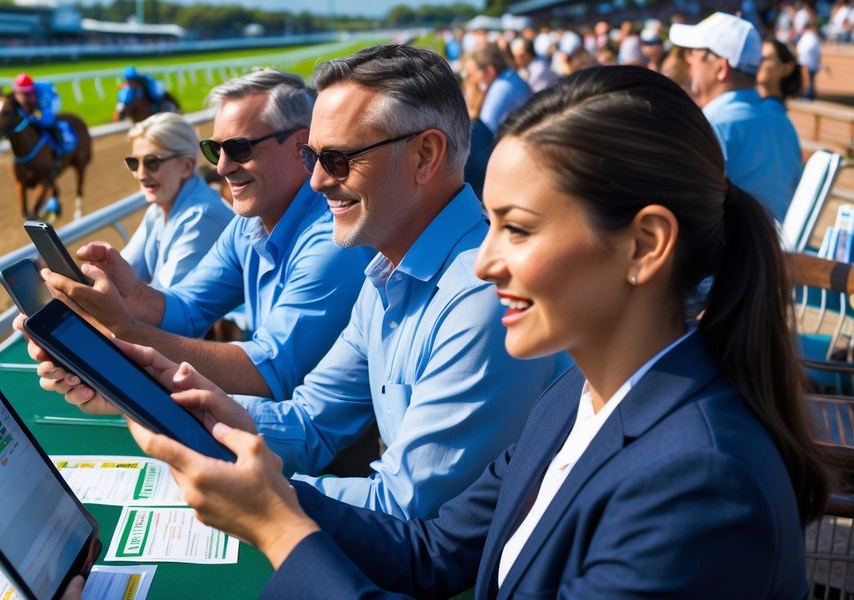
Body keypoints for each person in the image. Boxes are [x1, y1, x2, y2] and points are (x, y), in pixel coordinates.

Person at [125, 66, 824, 598]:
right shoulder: (576, 396)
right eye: (489, 223)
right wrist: (248, 462)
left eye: (516, 229)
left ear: (643, 245)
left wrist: (276, 527)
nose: (484, 263)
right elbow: (431, 550)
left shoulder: (698, 484)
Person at [33, 46, 553, 519]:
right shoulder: (385, 271)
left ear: (424, 155)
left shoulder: (482, 300)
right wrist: (146, 393)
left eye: (337, 159)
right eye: (312, 158)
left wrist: (254, 497)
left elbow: (403, 509)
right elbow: (308, 423)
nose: (319, 180)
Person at [39, 68, 373, 399]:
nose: (222, 168)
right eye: (215, 150)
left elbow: (269, 373)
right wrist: (131, 293)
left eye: (240, 149)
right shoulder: (249, 224)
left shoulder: (332, 239)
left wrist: (124, 331)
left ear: (301, 145)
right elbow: (187, 310)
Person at [671, 11, 802, 219]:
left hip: (729, 249)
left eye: (694, 52)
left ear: (722, 68)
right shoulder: (784, 124)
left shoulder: (711, 125)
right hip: (772, 248)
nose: (689, 59)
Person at [121, 112, 235, 290]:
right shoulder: (157, 210)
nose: (141, 175)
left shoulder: (201, 218)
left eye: (152, 163)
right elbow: (123, 271)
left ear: (187, 166)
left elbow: (162, 303)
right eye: (134, 163)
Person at [463, 43, 531, 135]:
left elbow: (485, 129)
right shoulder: (511, 76)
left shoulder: (501, 87)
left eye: (478, 72)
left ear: (490, 70)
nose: (478, 78)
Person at [758, 38, 803, 104]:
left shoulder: (772, 111)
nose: (757, 62)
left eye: (764, 59)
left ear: (786, 69)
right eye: (756, 57)